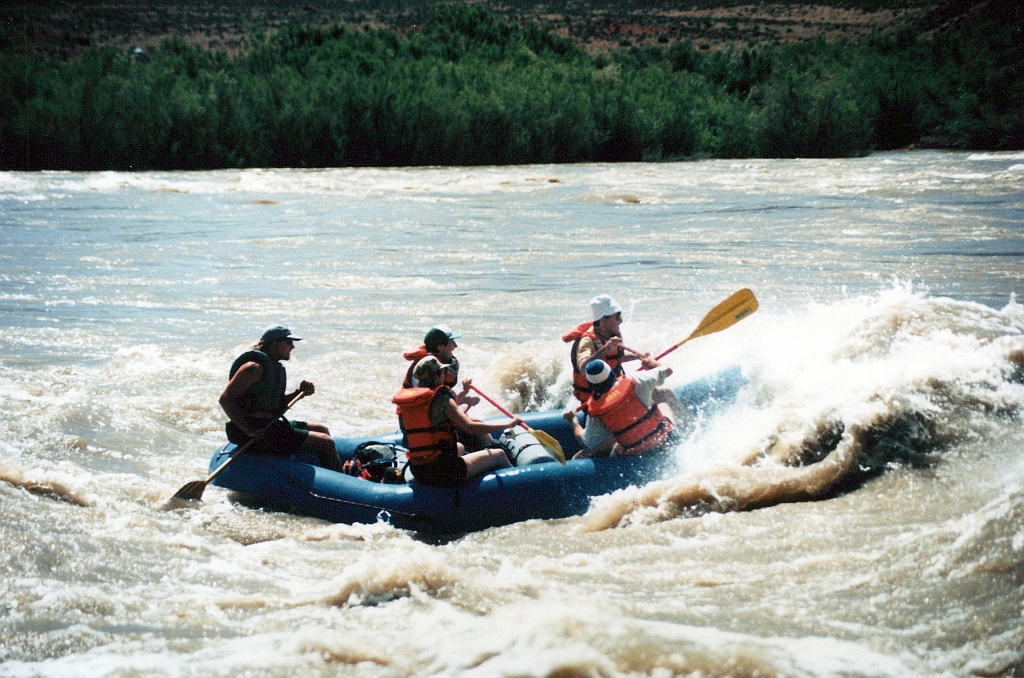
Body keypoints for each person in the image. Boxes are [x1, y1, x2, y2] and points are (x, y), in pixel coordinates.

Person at [219, 325, 343, 471]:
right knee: (325, 442)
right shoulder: (253, 368)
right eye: (288, 342)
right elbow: (225, 399)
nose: (293, 347)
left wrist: (299, 393)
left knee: (321, 429)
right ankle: (345, 484)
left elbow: (275, 402)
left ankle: (329, 471)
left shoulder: (272, 367)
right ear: (274, 344)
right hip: (253, 432)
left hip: (269, 425)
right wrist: (247, 430)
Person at [392, 356, 522, 488]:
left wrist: (465, 392)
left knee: (459, 447)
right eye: (443, 372)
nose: (445, 375)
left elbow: (439, 412)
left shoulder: (410, 404)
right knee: (499, 455)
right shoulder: (442, 398)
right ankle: (519, 489)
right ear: (437, 376)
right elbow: (470, 427)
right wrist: (508, 424)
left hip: (418, 470)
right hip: (444, 472)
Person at [562, 357, 679, 459]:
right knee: (664, 404)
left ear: (591, 385)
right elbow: (668, 370)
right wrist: (651, 363)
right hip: (664, 437)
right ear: (612, 374)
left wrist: (573, 420)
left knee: (615, 447)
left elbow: (587, 442)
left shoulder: (595, 411)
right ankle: (685, 434)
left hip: (635, 452)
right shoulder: (636, 379)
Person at [562, 294, 640, 407]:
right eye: (617, 316)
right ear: (603, 320)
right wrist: (606, 348)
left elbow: (614, 359)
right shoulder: (587, 341)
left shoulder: (608, 334)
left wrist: (638, 356)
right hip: (595, 401)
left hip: (612, 392)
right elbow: (583, 368)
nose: (621, 321)